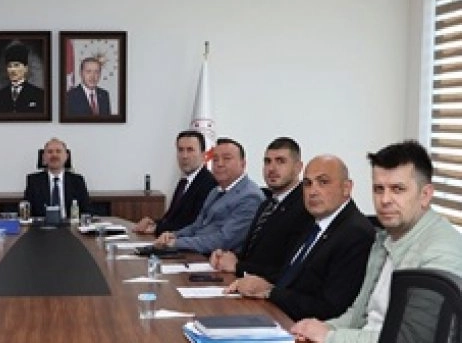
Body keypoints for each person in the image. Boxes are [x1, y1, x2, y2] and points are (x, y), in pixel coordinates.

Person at [291, 140, 462, 343]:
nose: (385, 200)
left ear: (425, 195)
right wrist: (317, 329)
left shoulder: (441, 252)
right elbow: (359, 315)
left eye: (398, 189)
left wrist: (329, 338)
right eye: (379, 189)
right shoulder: (383, 239)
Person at [225, 155, 374, 321]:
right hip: (277, 314)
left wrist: (270, 292)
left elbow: (331, 308)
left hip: (304, 328)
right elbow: (290, 275)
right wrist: (255, 282)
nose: (312, 191)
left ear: (346, 188)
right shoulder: (313, 222)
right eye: (307, 183)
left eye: (323, 182)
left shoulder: (355, 233)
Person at [211, 137, 313, 280]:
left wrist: (238, 266)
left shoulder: (305, 207)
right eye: (267, 161)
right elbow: (255, 255)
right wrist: (226, 257)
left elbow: (287, 269)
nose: (272, 168)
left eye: (280, 161)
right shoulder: (267, 203)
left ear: (298, 167)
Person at [153, 138, 264, 254]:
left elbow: (224, 240)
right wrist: (173, 235)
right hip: (197, 252)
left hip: (217, 259)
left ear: (243, 164)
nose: (219, 164)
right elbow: (197, 226)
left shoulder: (250, 197)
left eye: (226, 158)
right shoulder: (215, 191)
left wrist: (177, 243)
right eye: (215, 159)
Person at [134, 130, 217, 236]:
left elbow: (193, 225)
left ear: (203, 155)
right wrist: (153, 222)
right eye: (180, 150)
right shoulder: (184, 181)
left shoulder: (209, 183)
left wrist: (156, 228)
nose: (184, 156)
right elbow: (172, 218)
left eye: (190, 150)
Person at [24, 138, 90, 219]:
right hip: (43, 225)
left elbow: (86, 211)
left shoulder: (77, 181)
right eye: (50, 152)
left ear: (66, 156)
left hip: (70, 224)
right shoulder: (34, 181)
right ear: (44, 157)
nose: (54, 155)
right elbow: (27, 212)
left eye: (58, 151)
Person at [0, 42, 44, 113]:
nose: (13, 70)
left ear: (26, 68)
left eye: (16, 65)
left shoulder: (39, 95)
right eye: (9, 66)